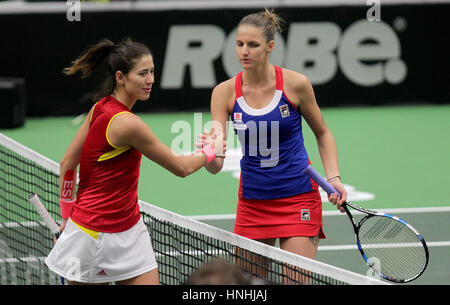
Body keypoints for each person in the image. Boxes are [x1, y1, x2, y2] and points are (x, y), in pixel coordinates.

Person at [45, 38, 224, 285]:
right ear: (120, 77)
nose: (151, 80)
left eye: (152, 72)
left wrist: (66, 218)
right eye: (142, 73)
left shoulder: (99, 107)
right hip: (93, 234)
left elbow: (67, 164)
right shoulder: (127, 124)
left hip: (129, 230)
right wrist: (210, 152)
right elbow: (181, 168)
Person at [198, 9, 347, 272]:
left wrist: (333, 177)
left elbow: (323, 132)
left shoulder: (295, 84)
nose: (244, 51)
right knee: (251, 287)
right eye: (240, 44)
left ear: (270, 47)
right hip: (252, 203)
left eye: (253, 45)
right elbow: (216, 165)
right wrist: (209, 152)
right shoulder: (223, 93)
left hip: (298, 198)